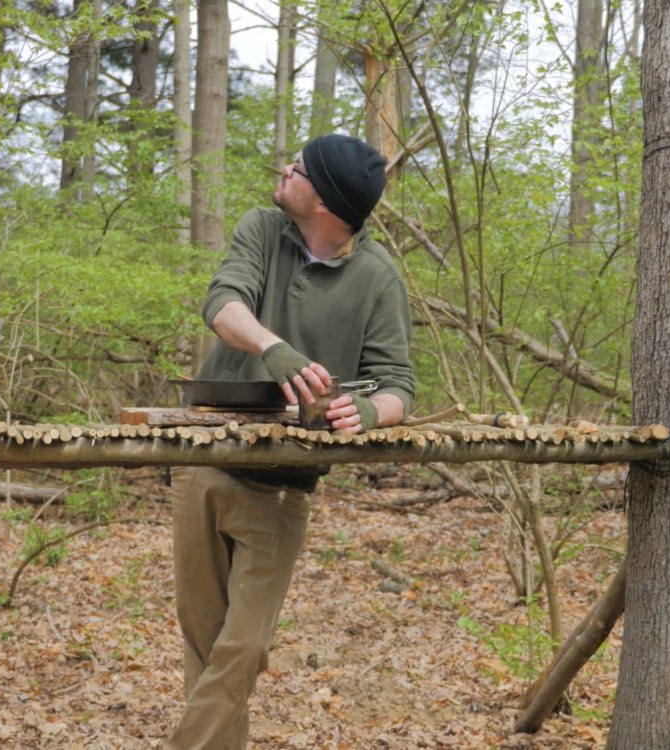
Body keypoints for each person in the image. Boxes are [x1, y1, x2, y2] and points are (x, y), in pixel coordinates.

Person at [165, 134, 414, 750]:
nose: (284, 169)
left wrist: (368, 412)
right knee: (205, 643)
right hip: (203, 459)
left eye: (299, 168)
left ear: (326, 200)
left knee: (243, 648)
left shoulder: (379, 278)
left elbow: (400, 386)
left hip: (282, 490)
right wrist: (271, 348)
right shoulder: (262, 228)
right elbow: (222, 303)